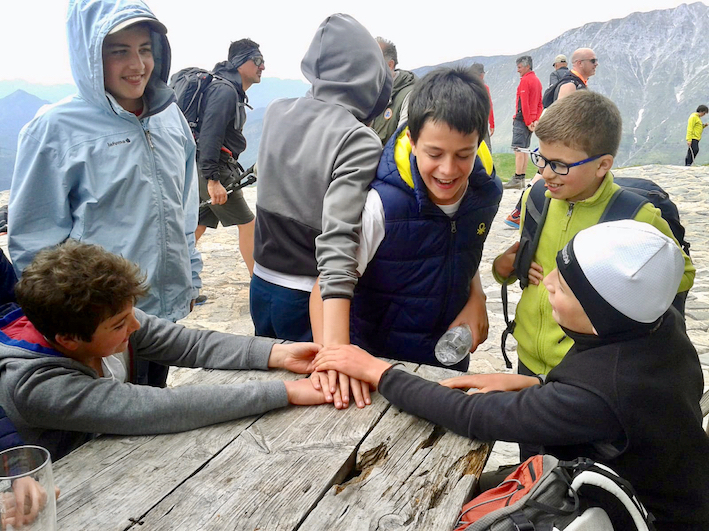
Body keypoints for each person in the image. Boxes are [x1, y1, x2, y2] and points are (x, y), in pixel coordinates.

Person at [311, 220, 709, 531]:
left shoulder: (600, 393)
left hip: (642, 519)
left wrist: (378, 370)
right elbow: (621, 406)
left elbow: (475, 417)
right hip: (682, 494)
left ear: (602, 318)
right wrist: (537, 385)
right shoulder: (660, 327)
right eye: (557, 269)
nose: (548, 283)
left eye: (567, 290)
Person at [8, 0, 201, 388]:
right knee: (107, 437)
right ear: (90, 56)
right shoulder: (55, 129)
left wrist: (190, 277)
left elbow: (184, 207)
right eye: (119, 52)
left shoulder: (169, 117)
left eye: (145, 50)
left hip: (161, 315)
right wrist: (70, 326)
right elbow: (33, 245)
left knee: (155, 407)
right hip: (96, 327)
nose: (137, 65)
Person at [0, 239, 325, 462]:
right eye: (120, 324)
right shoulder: (33, 384)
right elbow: (157, 408)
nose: (136, 326)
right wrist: (286, 392)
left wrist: (277, 353)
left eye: (132, 314)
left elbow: (189, 343)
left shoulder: (106, 316)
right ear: (68, 340)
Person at [310, 68, 502, 406]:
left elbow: (461, 245)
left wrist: (477, 296)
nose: (448, 170)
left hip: (444, 371)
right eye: (434, 153)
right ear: (412, 141)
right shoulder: (382, 206)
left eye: (463, 155)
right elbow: (324, 286)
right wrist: (335, 361)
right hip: (374, 371)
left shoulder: (484, 194)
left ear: (480, 145)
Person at [194, 39, 263, 280]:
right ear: (241, 63)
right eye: (257, 61)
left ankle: (175, 279)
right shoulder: (224, 91)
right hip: (214, 167)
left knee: (197, 226)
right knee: (248, 224)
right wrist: (213, 179)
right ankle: (260, 284)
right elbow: (210, 135)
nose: (262, 66)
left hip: (207, 166)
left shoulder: (229, 89)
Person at [504, 56, 542, 190]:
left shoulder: (525, 81)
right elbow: (539, 103)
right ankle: (521, 177)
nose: (518, 70)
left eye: (519, 67)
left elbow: (524, 103)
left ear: (527, 66)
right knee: (524, 149)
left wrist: (527, 122)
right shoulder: (537, 81)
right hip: (531, 121)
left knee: (518, 149)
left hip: (522, 120)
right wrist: (535, 120)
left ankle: (518, 178)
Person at [371, 37, 416, 145]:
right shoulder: (368, 92)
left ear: (390, 65)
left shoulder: (410, 96)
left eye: (372, 61)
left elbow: (403, 145)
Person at [470, 63, 495, 149]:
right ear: (481, 75)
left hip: (468, 123)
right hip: (481, 122)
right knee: (486, 147)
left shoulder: (466, 87)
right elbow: (489, 106)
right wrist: (492, 124)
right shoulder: (484, 87)